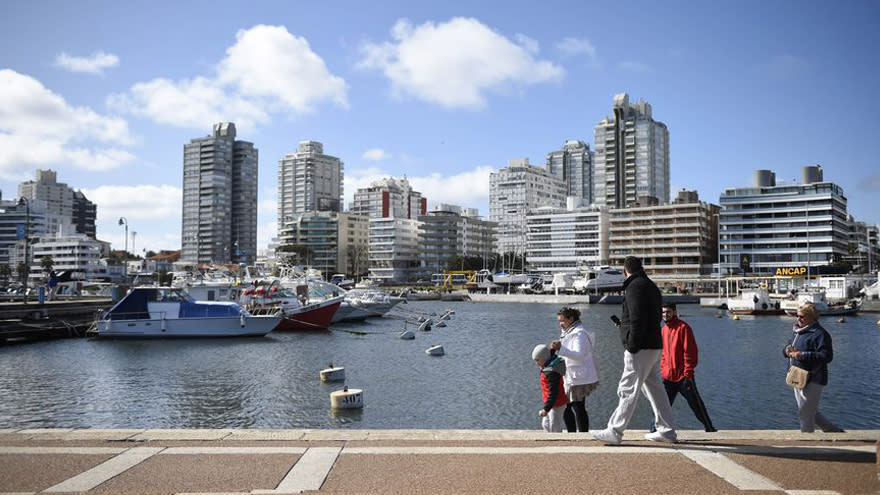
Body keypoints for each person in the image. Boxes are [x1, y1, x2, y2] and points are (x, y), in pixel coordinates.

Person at [593, 256, 677, 445]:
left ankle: (615, 431)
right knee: (656, 390)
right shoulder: (651, 286)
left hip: (640, 347)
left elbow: (637, 318)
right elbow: (649, 318)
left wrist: (631, 344)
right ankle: (667, 431)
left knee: (628, 388)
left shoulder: (634, 287)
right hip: (653, 345)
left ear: (625, 271)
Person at [650, 303, 716, 432]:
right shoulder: (664, 329)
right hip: (668, 377)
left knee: (696, 404)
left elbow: (690, 352)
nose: (665, 315)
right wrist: (663, 369)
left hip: (683, 377)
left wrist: (688, 372)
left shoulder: (683, 328)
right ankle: (653, 430)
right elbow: (663, 353)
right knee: (660, 405)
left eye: (668, 312)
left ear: (674, 312)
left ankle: (709, 427)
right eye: (663, 312)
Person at [783, 303, 843, 433]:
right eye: (797, 316)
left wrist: (802, 355)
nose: (798, 319)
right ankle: (832, 430)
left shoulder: (820, 334)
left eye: (802, 316)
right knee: (810, 411)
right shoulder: (797, 332)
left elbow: (827, 356)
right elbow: (788, 346)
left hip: (814, 378)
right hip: (797, 376)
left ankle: (807, 440)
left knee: (805, 412)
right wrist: (787, 350)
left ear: (812, 317)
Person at [550, 307, 599, 432]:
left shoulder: (579, 334)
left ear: (571, 319)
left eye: (562, 321)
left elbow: (579, 354)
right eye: (559, 321)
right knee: (567, 407)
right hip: (571, 375)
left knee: (577, 407)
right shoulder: (569, 330)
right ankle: (573, 433)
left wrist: (561, 348)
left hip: (578, 377)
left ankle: (582, 434)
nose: (560, 324)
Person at [532, 344, 568, 432]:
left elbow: (553, 393)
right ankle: (552, 441)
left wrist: (546, 409)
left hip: (557, 404)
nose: (536, 363)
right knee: (546, 424)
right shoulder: (548, 363)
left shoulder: (551, 373)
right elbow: (548, 354)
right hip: (551, 403)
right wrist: (552, 348)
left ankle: (558, 444)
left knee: (554, 427)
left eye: (537, 360)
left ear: (544, 359)